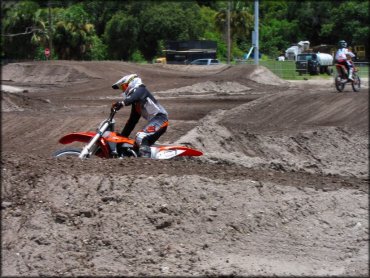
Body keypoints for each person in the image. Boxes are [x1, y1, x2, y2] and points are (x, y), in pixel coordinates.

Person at [111, 74, 168, 158]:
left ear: (132, 82)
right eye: (122, 88)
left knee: (140, 136)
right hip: (157, 120)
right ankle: (142, 156)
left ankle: (145, 160)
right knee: (134, 145)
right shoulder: (137, 103)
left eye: (124, 87)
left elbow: (134, 96)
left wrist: (122, 103)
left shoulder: (141, 90)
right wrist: (122, 138)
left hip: (161, 119)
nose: (123, 90)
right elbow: (132, 122)